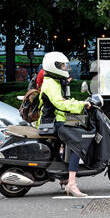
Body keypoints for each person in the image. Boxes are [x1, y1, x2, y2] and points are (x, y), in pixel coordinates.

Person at [37, 51, 91, 197]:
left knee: (85, 122)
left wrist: (82, 103)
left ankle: (64, 176)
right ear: (53, 66)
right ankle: (71, 183)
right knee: (76, 141)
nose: (65, 68)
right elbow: (60, 104)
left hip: (59, 118)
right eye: (62, 65)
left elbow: (65, 101)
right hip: (54, 121)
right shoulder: (50, 84)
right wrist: (81, 105)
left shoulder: (55, 81)